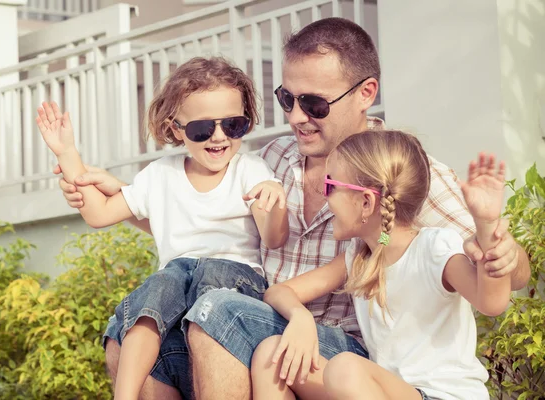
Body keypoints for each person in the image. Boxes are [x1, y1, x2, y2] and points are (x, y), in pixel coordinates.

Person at [52, 18, 530, 399]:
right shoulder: (270, 158)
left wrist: (497, 242)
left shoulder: (401, 170)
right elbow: (200, 222)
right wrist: (126, 192)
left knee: (220, 312)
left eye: (314, 103)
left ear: (366, 92)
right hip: (278, 319)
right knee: (129, 332)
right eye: (287, 98)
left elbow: (502, 272)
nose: (296, 116)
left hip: (347, 352)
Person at [36, 57, 288, 400]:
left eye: (233, 125)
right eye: (202, 129)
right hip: (176, 278)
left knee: (207, 283)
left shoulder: (250, 168)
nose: (219, 137)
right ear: (175, 128)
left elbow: (274, 238)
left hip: (234, 277)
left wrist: (275, 203)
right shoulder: (160, 174)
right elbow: (99, 213)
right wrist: (68, 153)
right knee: (153, 294)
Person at [251, 130, 509, 399]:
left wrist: (487, 227)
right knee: (272, 355)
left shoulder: (433, 248)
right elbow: (279, 291)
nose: (325, 198)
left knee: (345, 369)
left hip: (443, 396)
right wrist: (300, 317)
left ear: (366, 202)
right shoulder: (360, 256)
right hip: (386, 392)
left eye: (331, 186)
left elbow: (491, 302)